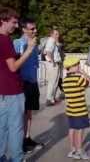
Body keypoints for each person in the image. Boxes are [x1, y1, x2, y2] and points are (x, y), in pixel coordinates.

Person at [0, 6, 36, 162]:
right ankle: (17, 158)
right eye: (13, 22)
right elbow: (13, 67)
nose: (16, 26)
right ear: (3, 21)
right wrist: (29, 50)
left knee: (2, 128)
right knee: (16, 128)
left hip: (2, 91)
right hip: (13, 91)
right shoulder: (5, 40)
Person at [13, 18, 44, 153]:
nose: (35, 31)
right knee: (21, 114)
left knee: (29, 112)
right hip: (22, 82)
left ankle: (27, 138)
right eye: (32, 29)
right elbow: (15, 63)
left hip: (32, 81)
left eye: (35, 28)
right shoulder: (17, 43)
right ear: (24, 29)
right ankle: (19, 142)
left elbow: (35, 62)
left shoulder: (35, 43)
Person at [62, 56, 90, 160]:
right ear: (72, 67)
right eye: (77, 64)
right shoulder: (78, 79)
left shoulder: (65, 81)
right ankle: (79, 151)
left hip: (70, 110)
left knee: (72, 129)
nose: (79, 66)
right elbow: (89, 83)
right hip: (80, 110)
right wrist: (84, 73)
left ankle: (72, 149)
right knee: (80, 130)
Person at [44, 28, 62, 106]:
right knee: (52, 81)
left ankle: (52, 98)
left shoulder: (54, 41)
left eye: (58, 34)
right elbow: (48, 51)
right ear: (51, 34)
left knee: (55, 81)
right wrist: (53, 61)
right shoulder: (51, 40)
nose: (57, 36)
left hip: (55, 63)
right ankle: (49, 99)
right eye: (56, 34)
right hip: (52, 64)